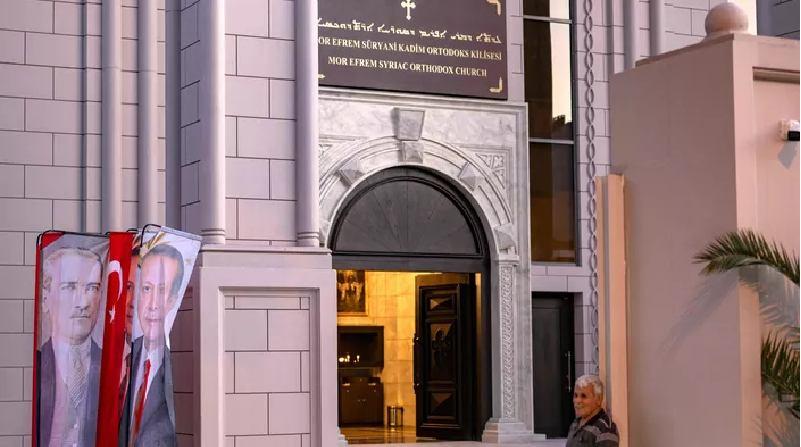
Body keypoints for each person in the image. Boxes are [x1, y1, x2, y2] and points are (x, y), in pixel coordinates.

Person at [37, 247, 103, 447]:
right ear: (46, 298)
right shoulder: (35, 365)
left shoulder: (113, 365)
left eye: (91, 288)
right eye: (70, 287)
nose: (83, 303)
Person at [126, 243, 183, 447]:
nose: (151, 304)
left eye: (162, 290)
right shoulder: (126, 359)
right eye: (147, 289)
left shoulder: (182, 362)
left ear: (173, 300)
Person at [566, 375, 619, 447]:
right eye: (575, 395)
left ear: (598, 399)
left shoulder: (605, 430)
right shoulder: (575, 424)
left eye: (583, 396)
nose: (577, 401)